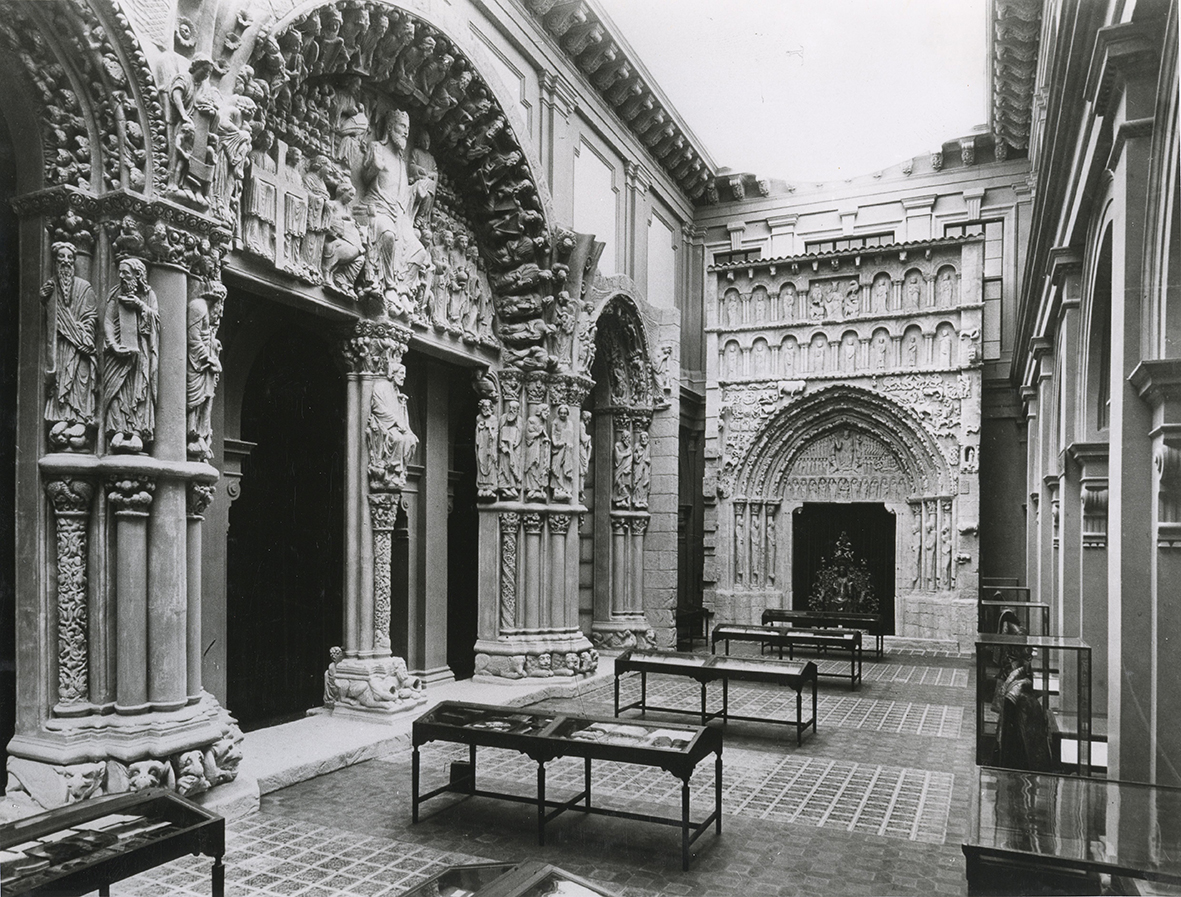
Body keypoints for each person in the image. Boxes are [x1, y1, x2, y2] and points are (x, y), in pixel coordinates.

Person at [41, 243, 97, 444]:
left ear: (74, 261)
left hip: (80, 343)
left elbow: (91, 316)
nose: (65, 261)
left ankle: (81, 419)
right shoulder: (51, 288)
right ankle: (64, 417)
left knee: (81, 379)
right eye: (61, 258)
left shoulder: (84, 287)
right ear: (56, 262)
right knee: (62, 377)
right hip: (62, 344)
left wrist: (84, 334)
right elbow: (51, 317)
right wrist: (45, 299)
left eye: (69, 258)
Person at [102, 258, 159, 452]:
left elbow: (156, 321)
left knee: (139, 390)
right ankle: (117, 428)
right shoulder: (114, 293)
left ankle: (137, 431)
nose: (121, 276)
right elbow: (108, 321)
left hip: (140, 352)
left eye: (126, 272)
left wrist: (140, 306)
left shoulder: (148, 295)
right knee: (118, 390)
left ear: (137, 275)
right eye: (120, 272)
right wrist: (113, 345)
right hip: (117, 354)